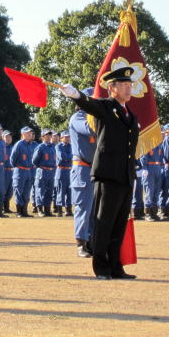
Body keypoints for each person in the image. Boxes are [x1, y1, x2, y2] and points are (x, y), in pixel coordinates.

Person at [61, 66, 139, 280]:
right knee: (104, 222)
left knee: (119, 224)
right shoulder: (106, 107)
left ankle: (116, 266)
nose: (128, 88)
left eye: (129, 85)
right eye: (123, 85)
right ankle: (102, 267)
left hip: (124, 176)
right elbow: (89, 105)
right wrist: (76, 95)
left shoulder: (129, 113)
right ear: (111, 89)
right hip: (108, 175)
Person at [68, 89, 97, 258]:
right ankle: (81, 243)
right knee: (83, 208)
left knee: (95, 209)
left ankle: (93, 242)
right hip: (82, 168)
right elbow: (89, 129)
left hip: (96, 168)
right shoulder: (78, 117)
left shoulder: (96, 118)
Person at [10, 126, 35, 218]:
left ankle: (24, 211)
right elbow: (12, 159)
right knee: (18, 191)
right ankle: (19, 211)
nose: (30, 134)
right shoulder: (19, 144)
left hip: (28, 171)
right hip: (20, 170)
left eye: (30, 133)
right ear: (23, 134)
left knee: (26, 191)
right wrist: (18, 167)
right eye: (28, 133)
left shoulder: (30, 145)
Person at [32, 129, 56, 217]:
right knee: (40, 190)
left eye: (50, 134)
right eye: (47, 135)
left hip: (51, 171)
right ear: (43, 136)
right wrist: (41, 166)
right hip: (42, 171)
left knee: (49, 191)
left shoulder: (53, 146)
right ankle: (40, 209)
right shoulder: (40, 147)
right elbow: (34, 161)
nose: (49, 136)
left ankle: (47, 210)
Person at [141, 143, 164, 221]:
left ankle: (154, 213)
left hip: (157, 168)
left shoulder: (159, 146)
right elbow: (143, 156)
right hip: (149, 168)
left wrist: (161, 167)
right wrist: (144, 167)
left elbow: (161, 157)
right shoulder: (147, 145)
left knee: (156, 192)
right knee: (149, 191)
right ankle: (148, 214)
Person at [55, 130, 73, 217]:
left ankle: (68, 210)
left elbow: (73, 156)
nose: (68, 138)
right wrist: (69, 157)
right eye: (66, 137)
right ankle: (59, 210)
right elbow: (62, 157)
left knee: (69, 191)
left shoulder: (71, 146)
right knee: (61, 191)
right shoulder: (58, 146)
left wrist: (69, 157)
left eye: (68, 137)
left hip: (69, 170)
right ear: (62, 138)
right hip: (61, 170)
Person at [1, 130, 14, 214]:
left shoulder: (13, 147)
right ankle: (1, 207)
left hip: (11, 171)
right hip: (3, 171)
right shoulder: (1, 147)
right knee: (3, 190)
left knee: (10, 190)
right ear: (2, 138)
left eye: (10, 137)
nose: (8, 138)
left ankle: (6, 207)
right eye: (6, 137)